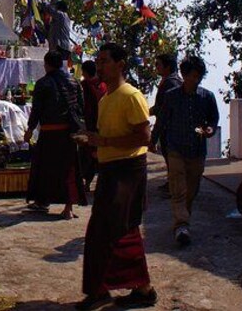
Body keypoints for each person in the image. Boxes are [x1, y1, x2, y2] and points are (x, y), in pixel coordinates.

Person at [74, 43, 157, 310]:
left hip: (128, 170)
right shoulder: (105, 99)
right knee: (104, 231)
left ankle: (122, 289)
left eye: (105, 61)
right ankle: (134, 288)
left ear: (120, 64)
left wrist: (104, 141)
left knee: (118, 231)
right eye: (97, 62)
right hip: (110, 169)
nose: (99, 66)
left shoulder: (131, 95)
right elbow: (108, 138)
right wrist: (95, 145)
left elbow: (144, 137)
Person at [158, 56, 219, 247]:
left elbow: (213, 119)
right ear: (184, 75)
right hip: (175, 148)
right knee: (178, 189)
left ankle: (183, 220)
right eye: (193, 76)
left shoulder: (207, 97)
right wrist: (152, 140)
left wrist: (209, 129)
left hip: (197, 150)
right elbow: (162, 120)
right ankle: (181, 224)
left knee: (191, 190)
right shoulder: (172, 96)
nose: (196, 79)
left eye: (199, 76)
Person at [24, 51, 87, 219]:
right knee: (69, 169)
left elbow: (36, 110)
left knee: (44, 168)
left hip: (49, 132)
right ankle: (68, 207)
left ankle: (42, 201)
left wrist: (29, 130)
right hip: (68, 132)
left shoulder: (43, 83)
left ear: (47, 64)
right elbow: (81, 107)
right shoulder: (74, 82)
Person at [149, 53, 181, 193]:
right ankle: (171, 183)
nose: (156, 67)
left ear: (167, 67)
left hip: (170, 127)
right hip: (171, 127)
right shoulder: (171, 81)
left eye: (158, 64)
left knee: (172, 158)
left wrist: (154, 137)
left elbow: (163, 110)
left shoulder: (171, 83)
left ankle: (174, 187)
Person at [79, 60, 107, 191]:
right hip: (102, 123)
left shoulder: (85, 85)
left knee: (89, 155)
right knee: (99, 155)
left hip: (90, 124)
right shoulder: (103, 84)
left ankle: (87, 183)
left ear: (84, 72)